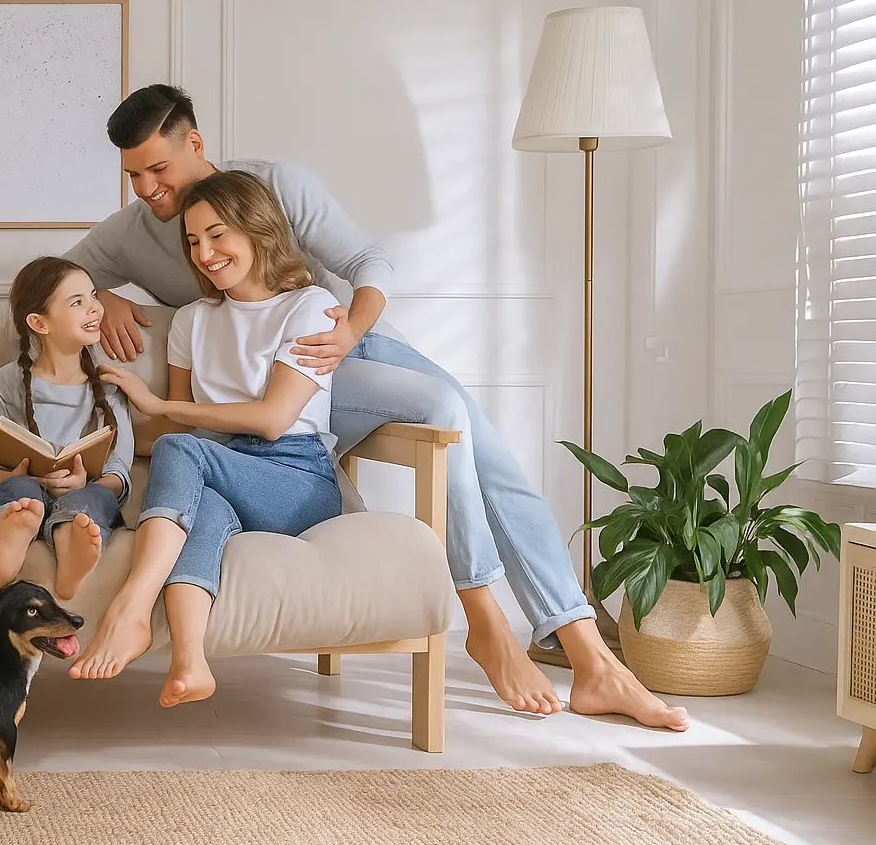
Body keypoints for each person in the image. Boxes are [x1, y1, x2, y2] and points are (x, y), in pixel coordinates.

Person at [65, 84, 688, 732]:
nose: (146, 188)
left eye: (158, 169)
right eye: (133, 174)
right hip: (263, 406)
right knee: (442, 418)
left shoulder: (275, 185)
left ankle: (542, 637)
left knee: (460, 422)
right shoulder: (135, 234)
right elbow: (57, 275)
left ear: (194, 144)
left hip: (343, 358)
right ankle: (542, 644)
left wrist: (348, 333)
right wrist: (99, 297)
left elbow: (370, 261)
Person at [75, 170, 342, 708]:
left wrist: (162, 406)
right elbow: (172, 429)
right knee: (205, 513)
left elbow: (272, 419)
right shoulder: (192, 320)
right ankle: (189, 663)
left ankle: (132, 607)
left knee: (185, 452)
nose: (205, 252)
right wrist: (91, 446)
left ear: (258, 230)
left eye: (218, 235)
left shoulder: (309, 307)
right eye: (194, 241)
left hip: (296, 477)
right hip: (218, 466)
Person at [0, 257, 135, 600]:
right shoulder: (8, 380)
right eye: (78, 302)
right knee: (22, 490)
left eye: (93, 296)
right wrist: (24, 478)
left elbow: (119, 473)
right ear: (38, 323)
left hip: (83, 493)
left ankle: (70, 545)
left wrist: (85, 481)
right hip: (25, 492)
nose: (95, 309)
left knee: (93, 498)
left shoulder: (109, 384)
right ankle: (9, 535)